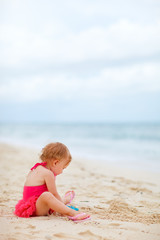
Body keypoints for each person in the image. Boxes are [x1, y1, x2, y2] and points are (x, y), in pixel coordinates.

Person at [14, 142, 90, 222]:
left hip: (31, 204)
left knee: (50, 198)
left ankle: (65, 200)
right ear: (55, 163)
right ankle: (71, 212)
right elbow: (54, 194)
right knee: (47, 195)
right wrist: (64, 209)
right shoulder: (48, 173)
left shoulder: (36, 168)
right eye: (63, 168)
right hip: (36, 209)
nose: (62, 172)